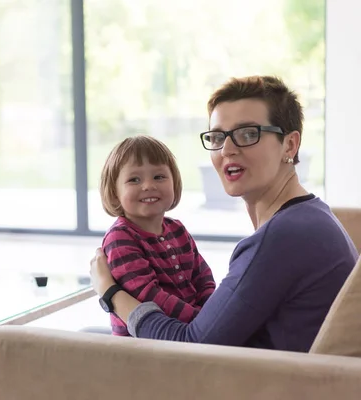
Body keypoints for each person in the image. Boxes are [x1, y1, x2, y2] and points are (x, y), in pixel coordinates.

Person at [90, 76, 359, 352]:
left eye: (247, 134)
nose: (227, 150)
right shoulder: (311, 215)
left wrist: (111, 293)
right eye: (218, 137)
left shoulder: (284, 237)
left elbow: (191, 347)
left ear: (289, 145)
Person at [98, 136, 215, 336]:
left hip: (191, 331)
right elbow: (147, 296)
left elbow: (203, 278)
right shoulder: (120, 238)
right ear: (115, 192)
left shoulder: (177, 229)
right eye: (134, 179)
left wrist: (213, 312)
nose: (148, 186)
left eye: (159, 177)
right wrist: (200, 319)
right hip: (143, 343)